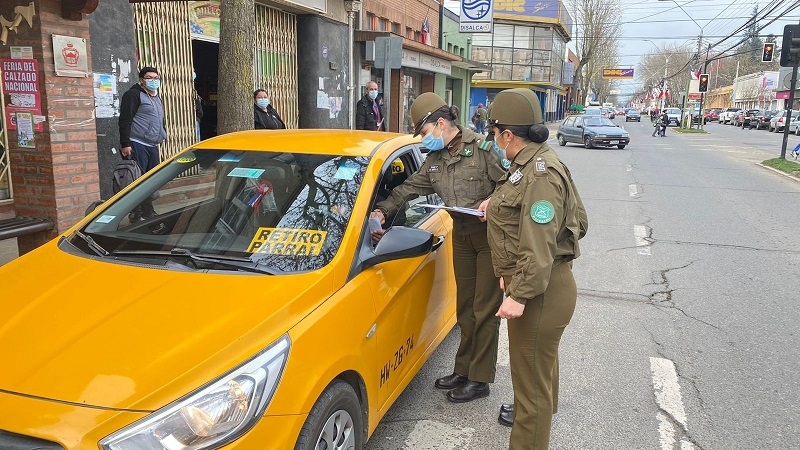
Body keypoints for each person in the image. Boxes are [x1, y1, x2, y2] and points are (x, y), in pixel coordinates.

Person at [370, 92, 506, 403]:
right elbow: (410, 187)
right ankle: (464, 369)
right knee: (465, 306)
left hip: (489, 237)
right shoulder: (435, 159)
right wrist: (382, 210)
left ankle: (480, 379)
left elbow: (511, 185)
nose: (423, 139)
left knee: (484, 309)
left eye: (425, 132)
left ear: (441, 123)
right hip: (461, 234)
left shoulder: (484, 149)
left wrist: (492, 202)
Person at [478, 88, 588, 449]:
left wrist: (519, 293)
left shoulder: (539, 175)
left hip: (539, 292)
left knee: (529, 394)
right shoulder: (530, 165)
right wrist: (496, 205)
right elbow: (577, 221)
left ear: (508, 135)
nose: (493, 141)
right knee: (540, 376)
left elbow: (539, 246)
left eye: (494, 135)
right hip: (541, 284)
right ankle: (544, 416)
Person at [119, 66, 167, 222]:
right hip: (137, 143)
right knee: (137, 180)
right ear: (141, 80)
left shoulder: (156, 97)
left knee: (151, 180)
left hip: (152, 145)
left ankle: (148, 210)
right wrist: (125, 143)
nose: (153, 81)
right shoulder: (133, 95)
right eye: (149, 78)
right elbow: (125, 120)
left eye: (156, 78)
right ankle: (136, 213)